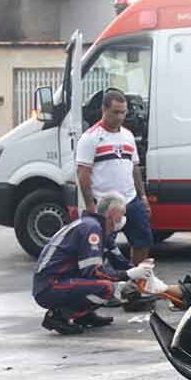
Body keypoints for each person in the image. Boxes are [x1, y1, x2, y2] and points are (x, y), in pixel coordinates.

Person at [32, 192, 155, 335]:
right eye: (122, 214)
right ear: (112, 214)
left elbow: (119, 261)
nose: (124, 219)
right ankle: (59, 316)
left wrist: (141, 270)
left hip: (61, 280)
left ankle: (83, 315)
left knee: (107, 283)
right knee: (107, 287)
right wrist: (128, 274)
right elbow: (93, 272)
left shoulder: (101, 230)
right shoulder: (92, 229)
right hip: (50, 285)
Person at [76, 88, 152, 265]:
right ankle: (100, 280)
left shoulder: (128, 136)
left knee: (143, 240)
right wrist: (90, 205)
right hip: (105, 203)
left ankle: (137, 280)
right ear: (104, 110)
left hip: (130, 200)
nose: (120, 117)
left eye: (123, 112)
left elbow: (134, 168)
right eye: (115, 112)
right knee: (99, 245)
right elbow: (83, 173)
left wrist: (142, 197)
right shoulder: (90, 138)